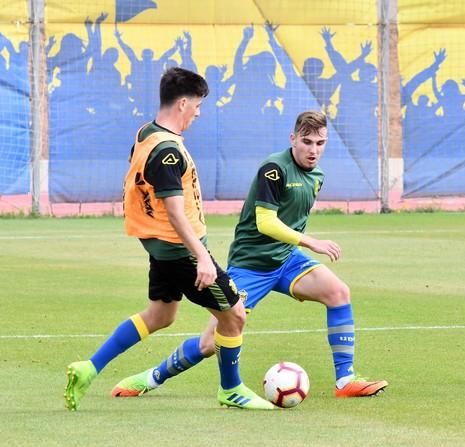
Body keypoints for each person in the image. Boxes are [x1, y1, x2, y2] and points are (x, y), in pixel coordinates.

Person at [111, 110, 388, 398]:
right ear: (293, 139)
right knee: (209, 343)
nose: (313, 150)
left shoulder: (316, 176)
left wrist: (297, 247)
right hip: (251, 266)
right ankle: (151, 377)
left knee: (338, 293)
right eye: (307, 142)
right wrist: (311, 242)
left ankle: (345, 382)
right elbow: (265, 221)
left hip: (287, 260)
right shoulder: (274, 169)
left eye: (320, 143)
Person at [64, 67, 274, 411]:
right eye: (197, 105)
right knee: (234, 315)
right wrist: (202, 257)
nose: (198, 113)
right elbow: (175, 211)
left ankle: (90, 367)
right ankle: (231, 390)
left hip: (160, 247)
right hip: (181, 252)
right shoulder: (167, 153)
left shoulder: (146, 134)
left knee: (161, 315)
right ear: (181, 104)